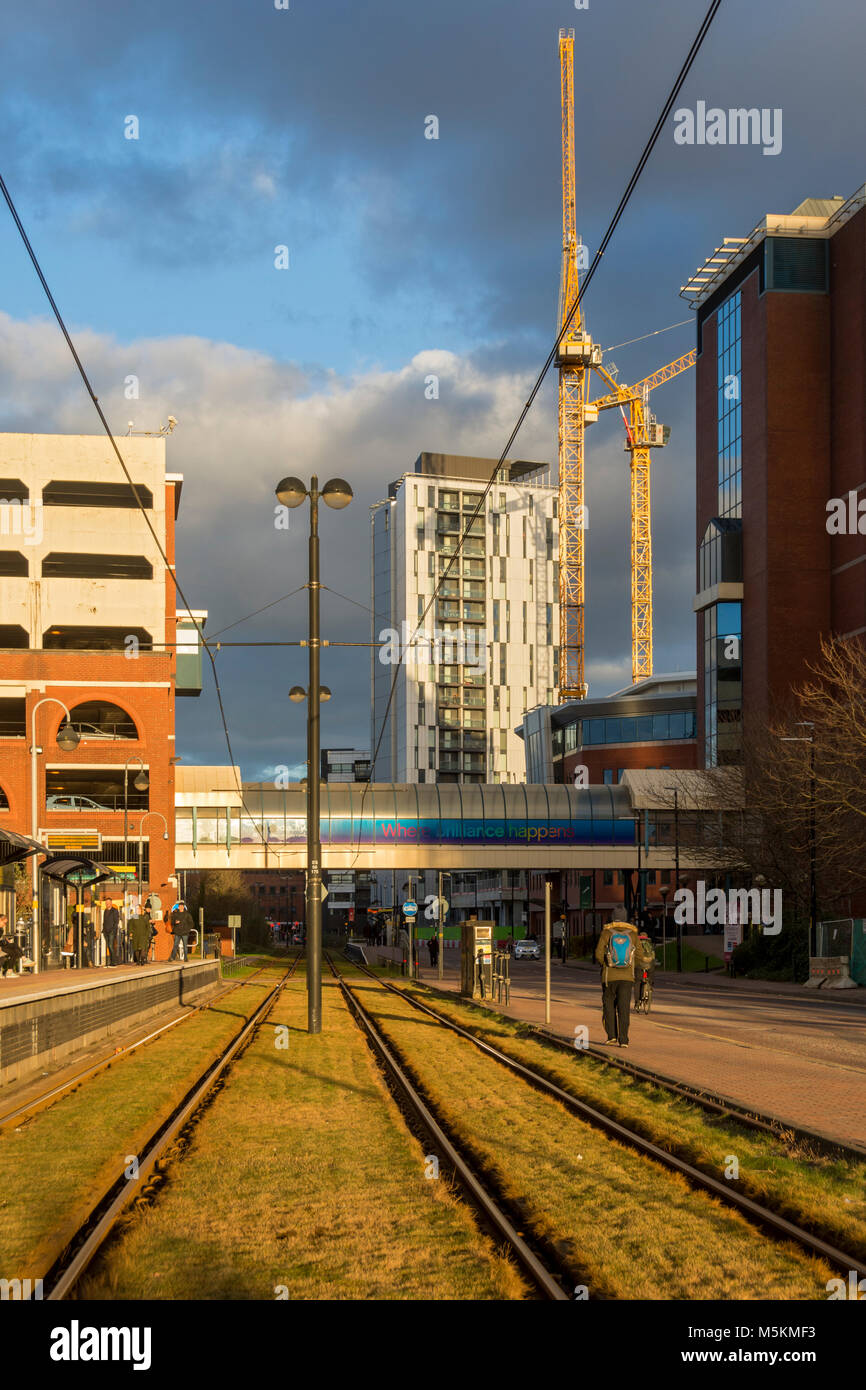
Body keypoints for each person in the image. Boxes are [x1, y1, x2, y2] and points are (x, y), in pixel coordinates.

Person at [594, 905, 643, 1047]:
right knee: (624, 1008)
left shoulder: (607, 933)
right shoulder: (633, 934)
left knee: (609, 1006)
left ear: (612, 917)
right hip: (627, 978)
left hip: (609, 977)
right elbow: (639, 956)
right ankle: (624, 1040)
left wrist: (606, 964)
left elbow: (598, 954)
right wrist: (631, 965)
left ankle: (611, 1037)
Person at [634, 931, 656, 1008]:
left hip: (639, 965)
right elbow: (653, 955)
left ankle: (637, 1002)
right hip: (649, 964)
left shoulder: (636, 943)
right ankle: (650, 987)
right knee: (650, 977)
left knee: (637, 982)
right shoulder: (650, 944)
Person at [102, 898, 120, 967]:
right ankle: (111, 961)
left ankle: (114, 961)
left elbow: (116, 921)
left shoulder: (115, 911)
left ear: (111, 903)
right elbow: (104, 921)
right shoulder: (105, 911)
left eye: (108, 902)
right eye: (106, 903)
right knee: (109, 946)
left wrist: (113, 930)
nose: (107, 904)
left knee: (111, 945)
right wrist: (103, 930)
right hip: (106, 931)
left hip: (112, 931)